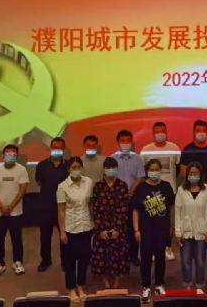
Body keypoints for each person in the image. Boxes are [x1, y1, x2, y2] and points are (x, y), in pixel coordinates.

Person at [132, 159, 176, 303]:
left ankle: (159, 284)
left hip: (162, 229)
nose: (154, 172)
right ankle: (145, 286)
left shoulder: (166, 186)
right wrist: (136, 229)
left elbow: (171, 207)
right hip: (145, 230)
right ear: (147, 171)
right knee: (145, 258)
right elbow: (135, 210)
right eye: (152, 170)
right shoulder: (141, 188)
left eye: (157, 169)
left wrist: (172, 225)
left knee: (160, 258)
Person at [180, 120, 207, 260]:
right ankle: (192, 248)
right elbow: (183, 170)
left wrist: (206, 186)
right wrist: (194, 185)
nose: (201, 133)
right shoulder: (188, 149)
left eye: (204, 130)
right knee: (191, 218)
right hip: (191, 190)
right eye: (198, 130)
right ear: (193, 132)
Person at [141, 121, 182, 262]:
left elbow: (177, 169)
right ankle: (153, 249)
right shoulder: (146, 150)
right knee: (152, 221)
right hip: (151, 192)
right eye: (157, 131)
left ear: (166, 132)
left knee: (168, 221)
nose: (160, 134)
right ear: (153, 133)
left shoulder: (174, 148)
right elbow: (144, 171)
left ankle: (167, 247)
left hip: (169, 190)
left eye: (162, 131)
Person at [0, 144, 29, 278]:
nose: (10, 156)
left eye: (13, 154)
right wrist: (2, 207)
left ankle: (17, 262)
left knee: (17, 239)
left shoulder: (22, 170)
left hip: (15, 211)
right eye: (7, 154)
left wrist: (11, 206)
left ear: (16, 156)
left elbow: (23, 189)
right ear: (3, 155)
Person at [57, 157, 94, 302]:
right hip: (70, 227)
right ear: (68, 169)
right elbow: (61, 210)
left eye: (79, 167)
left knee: (84, 259)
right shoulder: (62, 186)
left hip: (86, 225)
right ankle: (71, 289)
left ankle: (81, 287)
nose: (76, 170)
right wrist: (62, 231)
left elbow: (90, 203)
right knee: (70, 260)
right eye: (73, 167)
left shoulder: (88, 182)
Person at [175, 161, 207, 291]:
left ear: (200, 174)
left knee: (200, 261)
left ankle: (199, 285)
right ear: (187, 175)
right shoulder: (181, 190)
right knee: (185, 261)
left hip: (201, 232)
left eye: (196, 173)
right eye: (191, 173)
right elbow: (178, 211)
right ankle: (187, 284)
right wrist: (177, 232)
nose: (193, 175)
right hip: (185, 232)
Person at [90, 157, 130, 290]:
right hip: (102, 226)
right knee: (102, 256)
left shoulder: (122, 185)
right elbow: (95, 209)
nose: (110, 170)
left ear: (116, 169)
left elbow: (124, 208)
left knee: (119, 255)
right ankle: (106, 282)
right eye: (108, 168)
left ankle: (117, 281)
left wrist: (117, 229)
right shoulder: (98, 186)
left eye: (113, 167)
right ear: (104, 169)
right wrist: (101, 229)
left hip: (118, 226)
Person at [35, 137, 69, 273]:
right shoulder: (41, 165)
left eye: (60, 148)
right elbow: (39, 181)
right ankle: (45, 260)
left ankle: (65, 261)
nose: (57, 150)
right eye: (55, 147)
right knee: (45, 236)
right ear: (50, 148)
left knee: (64, 235)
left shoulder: (68, 166)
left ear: (63, 149)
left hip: (63, 207)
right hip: (46, 206)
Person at [112, 129, 145, 266]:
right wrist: (120, 193)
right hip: (117, 199)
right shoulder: (112, 159)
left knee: (133, 228)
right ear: (118, 142)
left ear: (131, 142)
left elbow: (140, 177)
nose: (125, 143)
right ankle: (120, 255)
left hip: (133, 198)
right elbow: (110, 177)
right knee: (119, 227)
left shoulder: (137, 158)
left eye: (128, 141)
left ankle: (133, 256)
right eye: (122, 141)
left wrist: (130, 192)